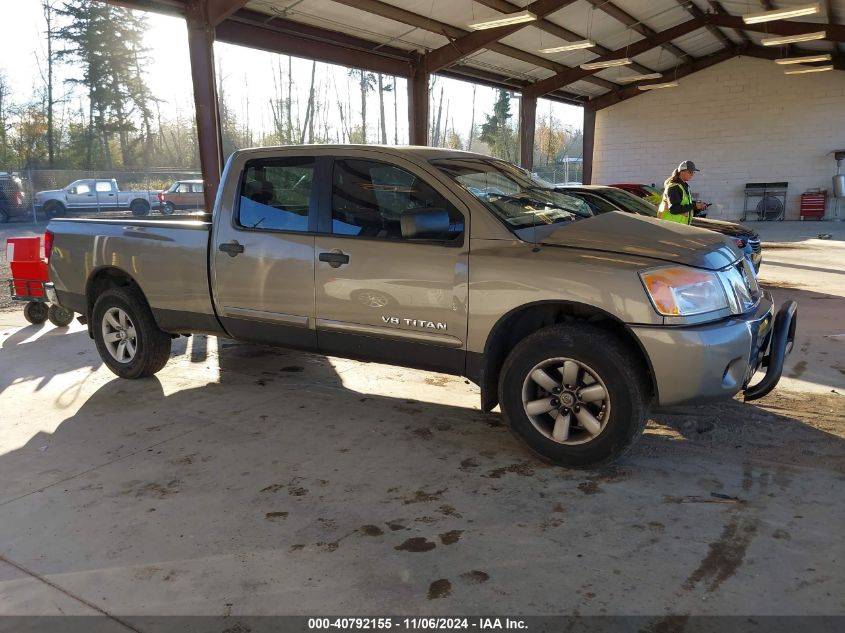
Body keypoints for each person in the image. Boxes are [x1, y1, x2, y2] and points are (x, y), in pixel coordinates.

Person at [658, 160, 707, 225]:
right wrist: (694, 206)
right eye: (690, 172)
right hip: (670, 226)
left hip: (678, 226)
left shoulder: (684, 186)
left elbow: (685, 206)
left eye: (693, 172)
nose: (692, 175)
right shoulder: (674, 187)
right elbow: (674, 209)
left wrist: (698, 207)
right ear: (681, 172)